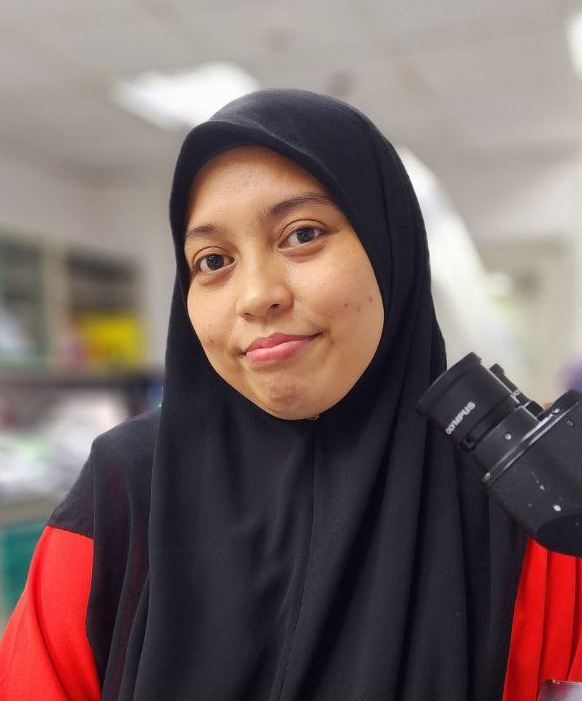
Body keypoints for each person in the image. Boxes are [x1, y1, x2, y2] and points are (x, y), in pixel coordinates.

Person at [1, 88, 582, 701]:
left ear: (390, 249)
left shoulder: (520, 499)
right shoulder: (123, 489)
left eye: (302, 234)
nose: (256, 296)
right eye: (213, 261)